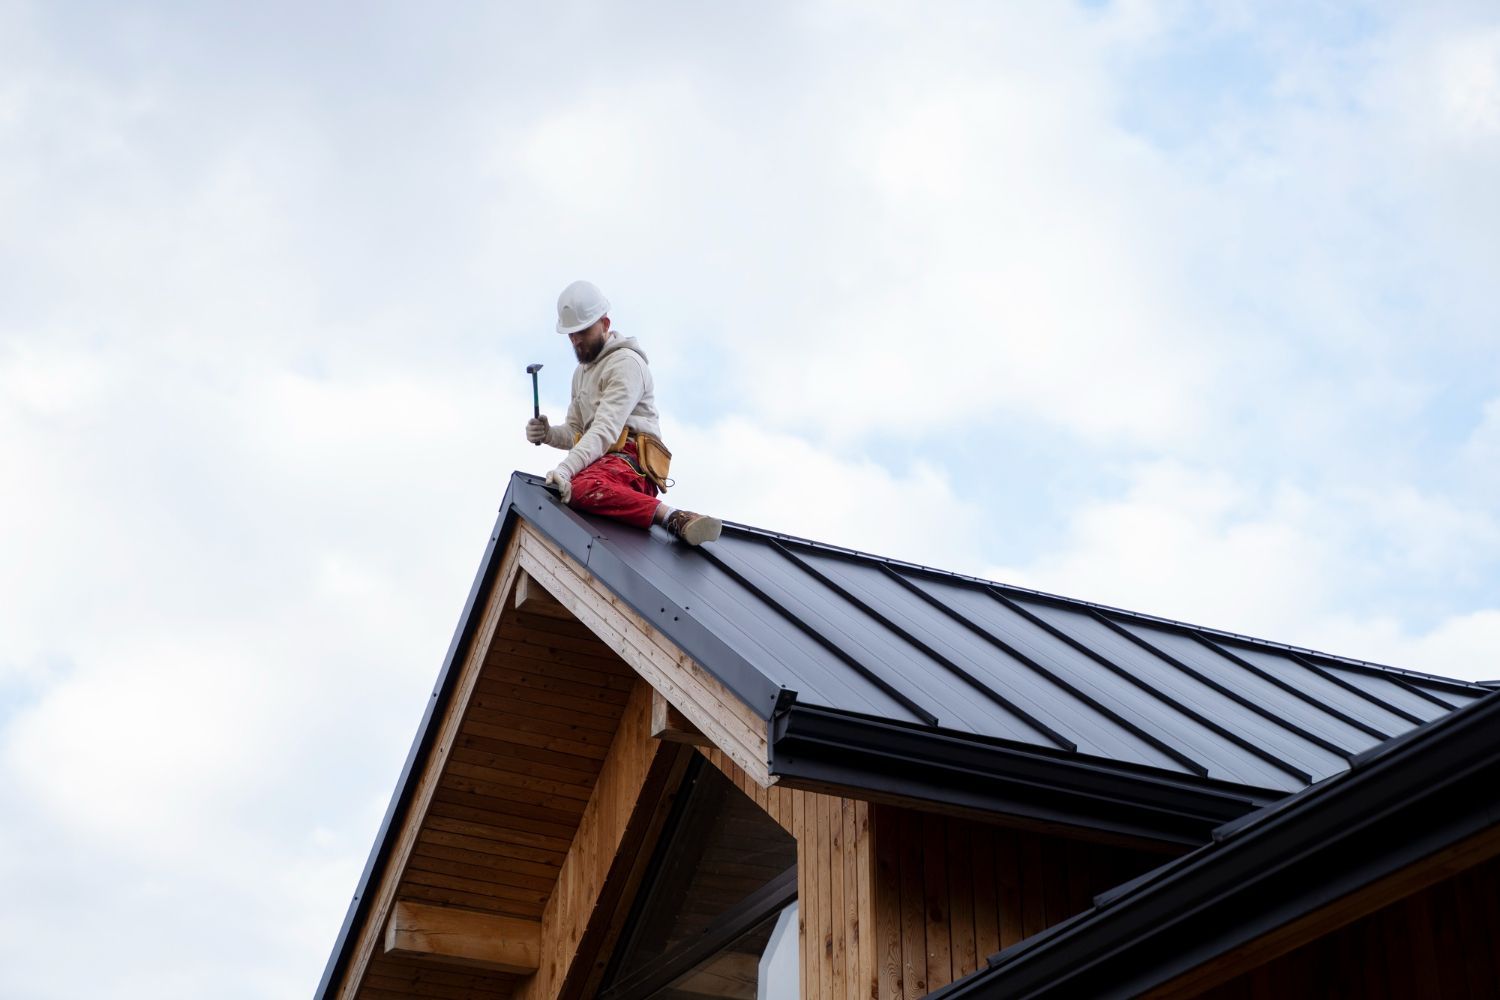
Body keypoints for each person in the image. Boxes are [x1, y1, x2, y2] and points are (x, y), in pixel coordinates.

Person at [525, 280, 723, 546]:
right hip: (601, 461)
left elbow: (604, 430)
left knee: (580, 488)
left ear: (605, 324)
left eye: (583, 331)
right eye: (571, 334)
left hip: (631, 462)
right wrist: (548, 434)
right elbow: (577, 432)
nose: (576, 340)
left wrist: (566, 468)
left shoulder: (626, 364)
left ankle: (675, 517)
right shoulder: (580, 374)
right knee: (566, 491)